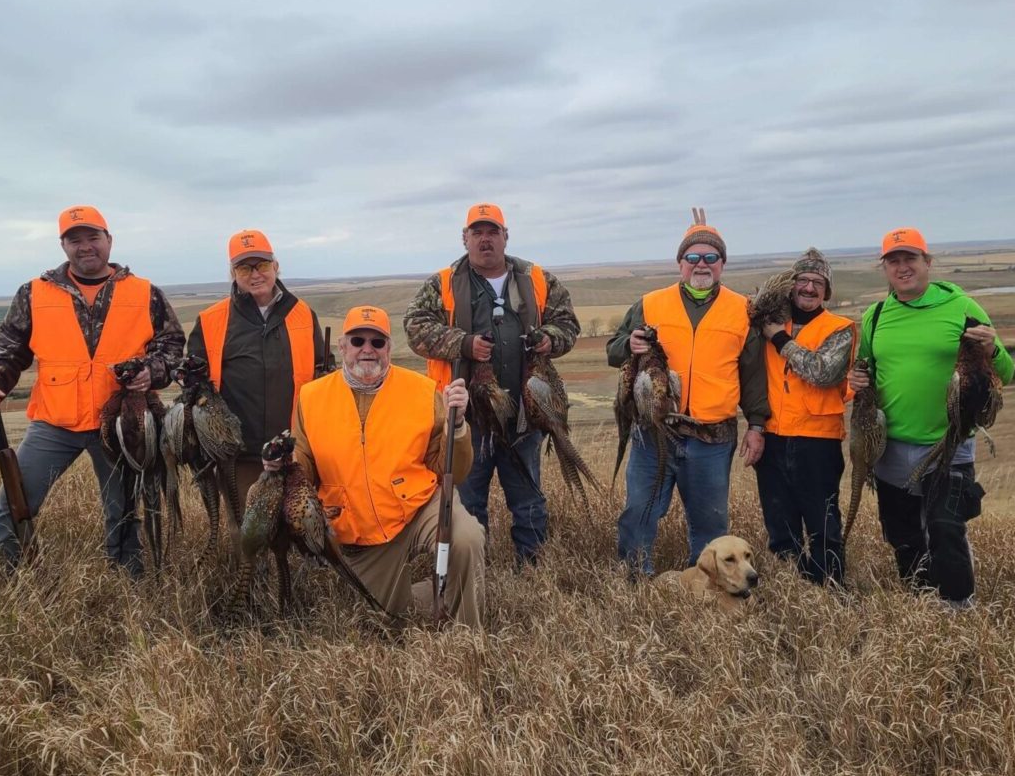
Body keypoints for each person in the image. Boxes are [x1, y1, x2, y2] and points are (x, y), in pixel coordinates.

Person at [0, 205, 185, 575]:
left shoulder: (146, 293)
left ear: (109, 241)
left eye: (93, 237)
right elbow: (10, 345)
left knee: (123, 509)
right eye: (75, 240)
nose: (85, 247)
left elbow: (171, 345)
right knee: (15, 500)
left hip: (120, 423)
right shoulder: (34, 293)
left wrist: (151, 372)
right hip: (55, 422)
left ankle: (128, 588)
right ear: (63, 246)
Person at [403, 203, 580, 567]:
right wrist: (463, 344)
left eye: (493, 231)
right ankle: (473, 570)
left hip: (525, 416)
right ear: (465, 238)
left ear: (505, 236)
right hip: (467, 418)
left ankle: (532, 568)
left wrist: (550, 339)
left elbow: (568, 324)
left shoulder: (536, 278)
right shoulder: (444, 282)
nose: (485, 239)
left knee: (528, 498)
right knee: (467, 502)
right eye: (477, 232)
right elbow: (415, 328)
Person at [848, 227, 1014, 609]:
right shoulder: (874, 317)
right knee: (903, 535)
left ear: (928, 263)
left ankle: (958, 612)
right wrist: (857, 378)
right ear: (885, 268)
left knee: (945, 529)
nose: (902, 267)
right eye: (894, 261)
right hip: (890, 449)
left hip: (949, 445)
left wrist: (991, 350)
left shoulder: (963, 308)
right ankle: (921, 606)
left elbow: (1005, 372)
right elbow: (866, 371)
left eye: (910, 258)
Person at [294, 305, 485, 627]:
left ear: (389, 349)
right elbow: (304, 462)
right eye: (357, 341)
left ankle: (468, 636)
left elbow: (453, 469)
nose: (367, 350)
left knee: (466, 538)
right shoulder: (311, 397)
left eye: (377, 342)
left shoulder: (423, 391)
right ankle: (445, 592)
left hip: (419, 506)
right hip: (359, 523)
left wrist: (459, 426)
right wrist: (284, 469)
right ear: (342, 347)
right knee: (383, 619)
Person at [607, 213, 769, 574]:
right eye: (692, 257)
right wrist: (627, 345)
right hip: (654, 432)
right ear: (680, 263)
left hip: (712, 438)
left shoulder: (742, 310)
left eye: (710, 258)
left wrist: (757, 425)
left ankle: (708, 589)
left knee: (710, 523)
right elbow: (612, 349)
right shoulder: (650, 304)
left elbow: (753, 375)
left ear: (722, 264)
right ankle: (635, 580)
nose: (701, 264)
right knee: (638, 513)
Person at [187, 229, 325, 522]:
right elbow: (193, 383)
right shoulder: (211, 320)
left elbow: (323, 376)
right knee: (248, 532)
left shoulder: (303, 315)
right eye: (244, 267)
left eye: (261, 265)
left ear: (276, 267)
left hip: (294, 448)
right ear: (233, 273)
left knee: (294, 528)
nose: (255, 274)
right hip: (240, 454)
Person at [753, 248, 856, 585]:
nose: (809, 288)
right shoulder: (766, 323)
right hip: (773, 438)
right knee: (780, 525)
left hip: (818, 443)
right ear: (790, 286)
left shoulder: (839, 328)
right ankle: (794, 593)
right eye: (802, 280)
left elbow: (822, 372)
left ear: (827, 292)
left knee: (823, 524)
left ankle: (832, 592)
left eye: (818, 282)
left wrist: (779, 338)